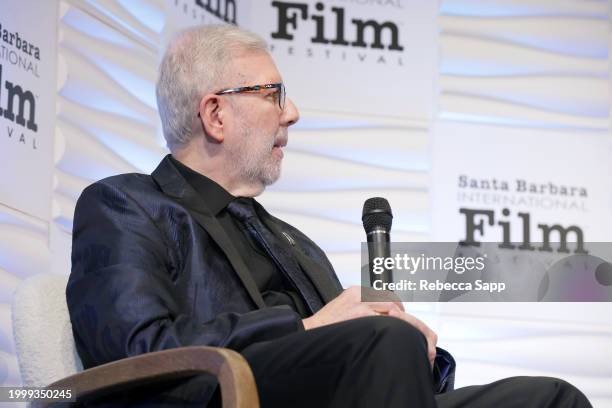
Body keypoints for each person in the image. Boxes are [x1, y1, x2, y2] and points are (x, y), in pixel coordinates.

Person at [66, 24, 592, 407]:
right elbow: (136, 351)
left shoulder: (291, 242)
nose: (291, 112)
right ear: (215, 114)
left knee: (551, 399)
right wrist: (308, 326)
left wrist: (418, 349)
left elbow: (363, 357)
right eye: (273, 94)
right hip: (223, 399)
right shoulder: (126, 205)